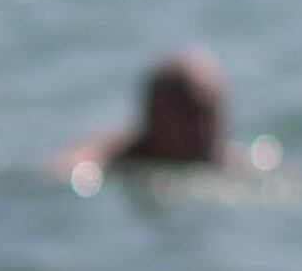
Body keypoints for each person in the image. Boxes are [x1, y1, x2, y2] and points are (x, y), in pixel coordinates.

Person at [62, 45, 232, 181]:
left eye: (208, 115)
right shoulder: (108, 158)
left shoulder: (230, 163)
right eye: (189, 116)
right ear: (154, 115)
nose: (201, 130)